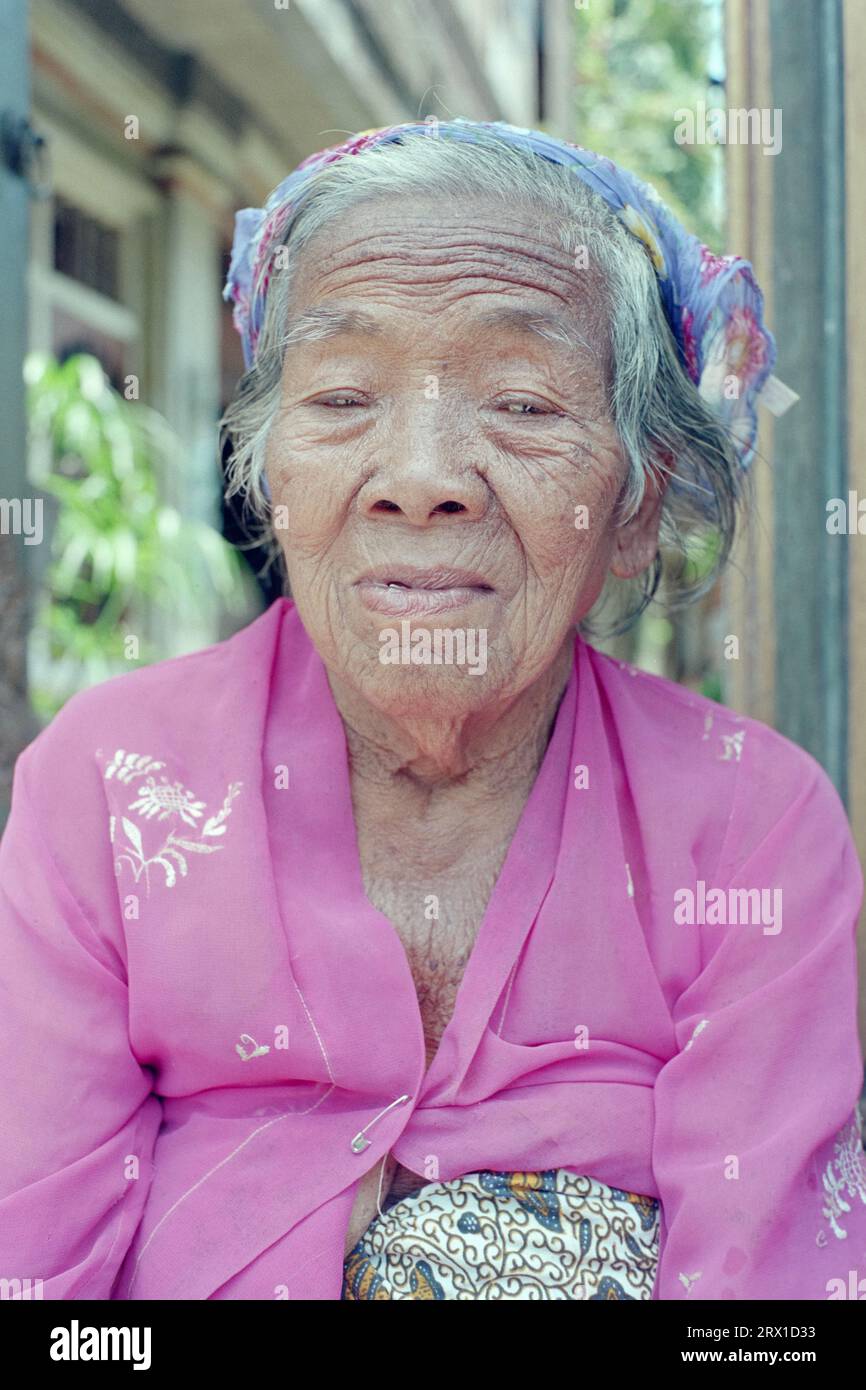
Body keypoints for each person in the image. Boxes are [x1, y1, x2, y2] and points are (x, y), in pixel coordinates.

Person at [1, 120, 864, 1301]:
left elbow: (768, 1304)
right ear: (270, 479)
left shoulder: (749, 820)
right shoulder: (103, 789)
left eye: (520, 401)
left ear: (631, 507)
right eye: (344, 394)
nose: (421, 475)